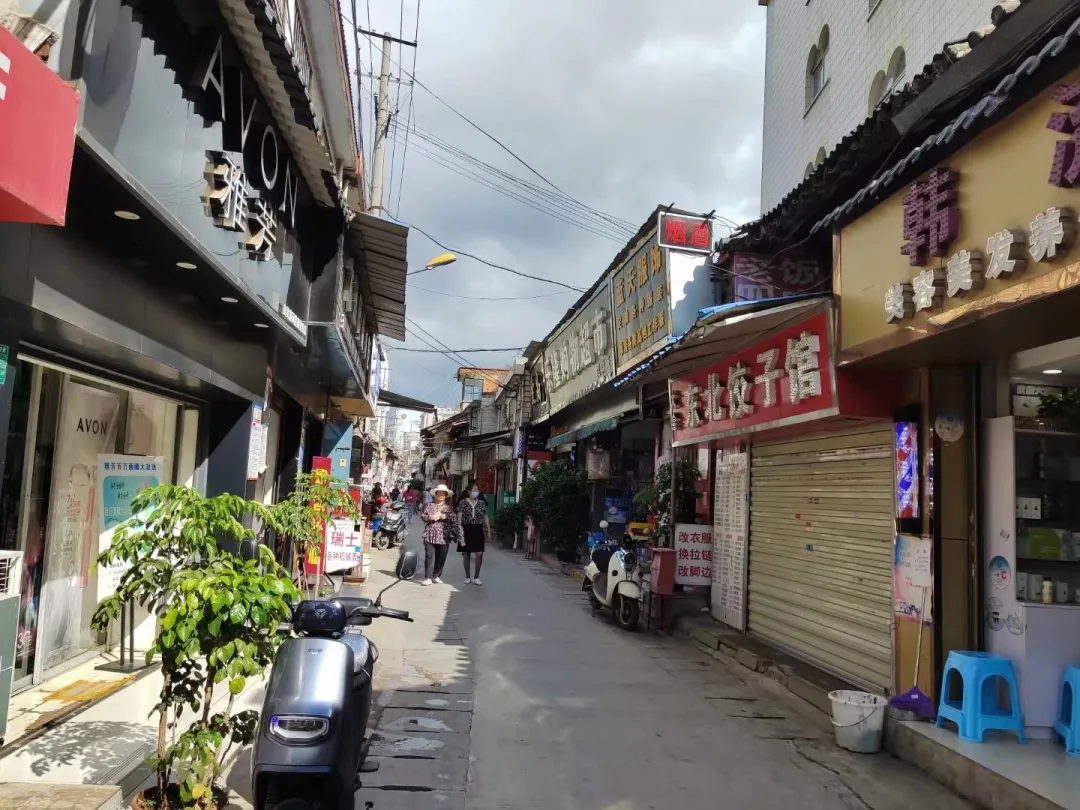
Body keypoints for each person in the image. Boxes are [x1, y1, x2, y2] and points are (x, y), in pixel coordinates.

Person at [457, 479, 491, 586]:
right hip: (466, 529)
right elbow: (459, 516)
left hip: (478, 529)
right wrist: (459, 529)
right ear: (469, 491)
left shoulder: (481, 503)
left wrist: (488, 531)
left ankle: (476, 576)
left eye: (477, 489)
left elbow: (485, 517)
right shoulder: (463, 502)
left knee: (479, 553)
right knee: (466, 553)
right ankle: (467, 576)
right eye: (474, 489)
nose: (476, 491)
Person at [420, 484, 454, 586]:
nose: (441, 495)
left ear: (446, 495)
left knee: (441, 557)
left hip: (443, 536)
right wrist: (428, 517)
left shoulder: (449, 508)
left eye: (443, 494)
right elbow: (423, 516)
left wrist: (445, 516)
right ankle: (428, 577)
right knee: (429, 555)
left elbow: (453, 519)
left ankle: (436, 575)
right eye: (439, 493)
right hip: (430, 534)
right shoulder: (429, 505)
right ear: (436, 494)